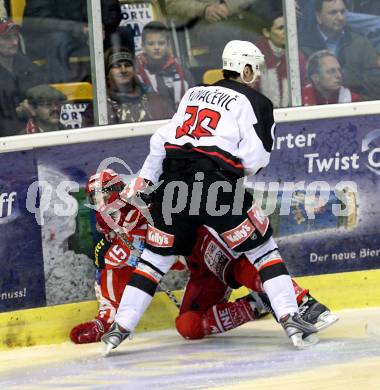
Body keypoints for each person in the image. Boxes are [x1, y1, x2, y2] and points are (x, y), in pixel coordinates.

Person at [101, 39, 320, 353]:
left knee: (153, 260)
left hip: (173, 181)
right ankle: (290, 317)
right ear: (245, 68)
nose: (256, 75)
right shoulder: (256, 101)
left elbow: (161, 138)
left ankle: (119, 329)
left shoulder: (192, 92)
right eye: (254, 69)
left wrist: (146, 179)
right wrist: (231, 175)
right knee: (263, 251)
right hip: (215, 183)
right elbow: (255, 158)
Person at [70, 169, 337, 343]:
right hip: (199, 271)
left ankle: (303, 302)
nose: (105, 204)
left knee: (234, 262)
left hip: (207, 239)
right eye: (97, 199)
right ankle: (257, 304)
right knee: (188, 326)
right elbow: (111, 281)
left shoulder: (146, 196)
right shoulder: (110, 235)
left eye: (108, 194)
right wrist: (104, 322)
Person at [22, 0, 122, 83]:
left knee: (122, 34)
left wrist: (102, 25)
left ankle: (121, 88)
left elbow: (112, 9)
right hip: (48, 37)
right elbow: (37, 20)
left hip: (85, 35)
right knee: (59, 39)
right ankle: (63, 93)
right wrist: (78, 28)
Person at [298, 0, 380, 100]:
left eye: (343, 12)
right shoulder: (303, 46)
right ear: (318, 17)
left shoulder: (361, 43)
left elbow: (375, 82)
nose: (340, 17)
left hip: (355, 107)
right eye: (333, 13)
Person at [165, 0, 261, 67]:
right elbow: (173, 4)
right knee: (223, 34)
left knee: (260, 31)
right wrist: (204, 9)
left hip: (243, 16)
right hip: (205, 22)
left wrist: (228, 7)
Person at [254, 1, 307, 108]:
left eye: (288, 26)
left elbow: (303, 90)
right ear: (266, 33)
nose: (286, 31)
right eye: (280, 28)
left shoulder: (298, 57)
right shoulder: (253, 57)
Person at [0, 18, 46, 137]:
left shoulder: (28, 66)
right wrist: (16, 113)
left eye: (15, 36)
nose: (14, 42)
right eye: (7, 38)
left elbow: (43, 95)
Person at [105, 47, 175, 124]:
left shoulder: (153, 100)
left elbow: (172, 127)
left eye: (127, 65)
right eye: (117, 66)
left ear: (134, 70)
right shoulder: (102, 106)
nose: (123, 70)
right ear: (108, 73)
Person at [135, 21, 194, 110]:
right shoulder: (136, 71)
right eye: (151, 44)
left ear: (168, 45)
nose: (156, 47)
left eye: (161, 43)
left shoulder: (181, 70)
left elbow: (193, 98)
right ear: (143, 46)